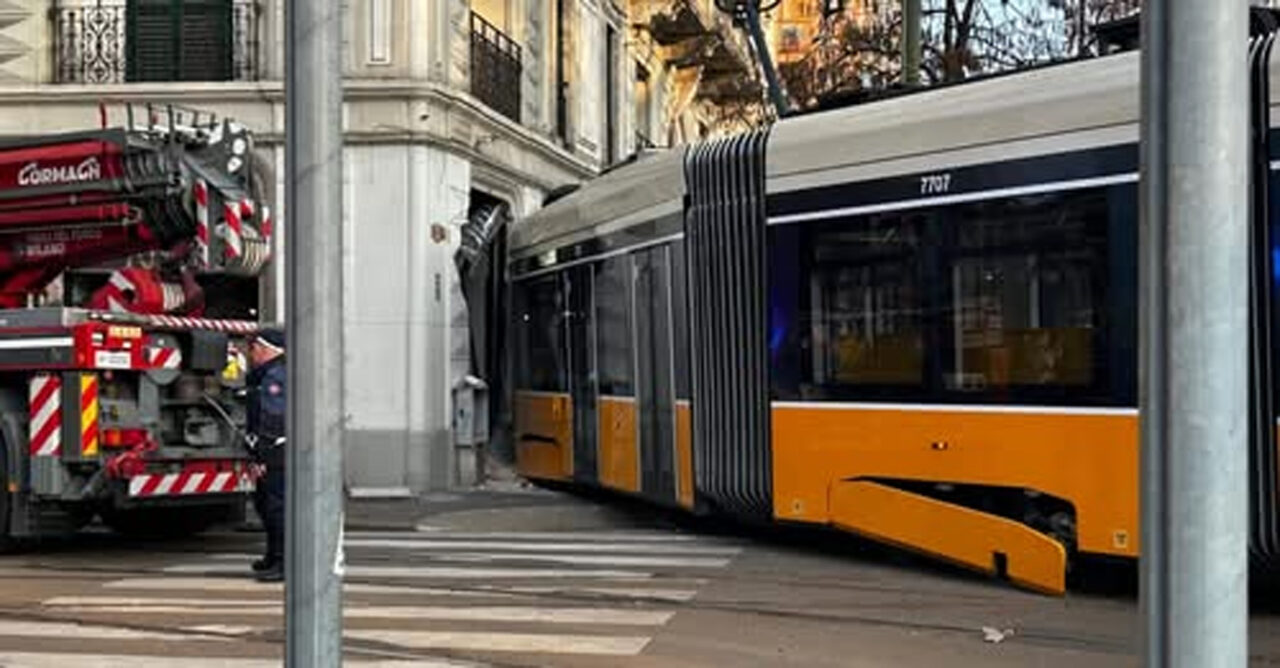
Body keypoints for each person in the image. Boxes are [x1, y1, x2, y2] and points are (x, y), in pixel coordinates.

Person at [246, 327, 286, 582]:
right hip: (270, 453)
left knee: (276, 508)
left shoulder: (274, 376)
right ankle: (273, 556)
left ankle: (283, 561)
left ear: (264, 349)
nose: (250, 355)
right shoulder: (268, 375)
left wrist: (262, 458)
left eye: (253, 349)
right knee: (265, 504)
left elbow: (273, 420)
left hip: (276, 455)